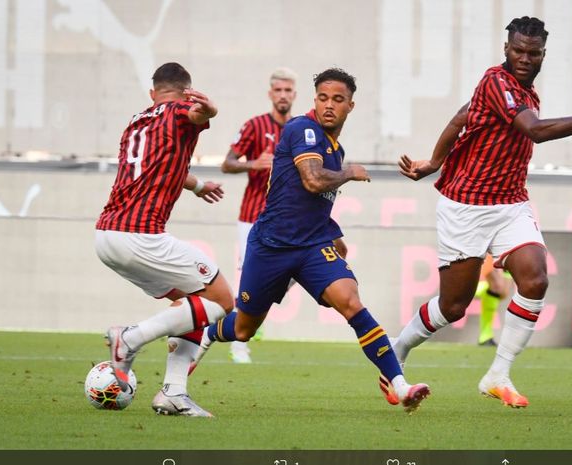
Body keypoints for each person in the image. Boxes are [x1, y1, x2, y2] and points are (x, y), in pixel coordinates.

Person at [390, 16, 572, 408]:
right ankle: (396, 352)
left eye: (532, 52)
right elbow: (534, 130)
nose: (524, 58)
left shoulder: (525, 90)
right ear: (506, 49)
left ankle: (498, 374)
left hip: (510, 203)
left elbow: (461, 117)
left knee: (536, 279)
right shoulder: (497, 82)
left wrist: (434, 161)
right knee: (453, 307)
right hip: (467, 205)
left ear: (543, 54)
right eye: (518, 50)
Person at [193, 68, 430, 413]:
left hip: (311, 247)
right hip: (271, 245)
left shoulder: (336, 147)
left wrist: (334, 235)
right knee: (243, 328)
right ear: (314, 100)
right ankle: (205, 334)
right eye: (322, 98)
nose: (329, 105)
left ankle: (400, 385)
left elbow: (315, 200)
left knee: (352, 304)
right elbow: (313, 181)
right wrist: (349, 173)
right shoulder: (301, 128)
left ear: (351, 105)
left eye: (337, 99)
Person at [95, 62, 235, 417]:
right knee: (221, 299)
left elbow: (162, 164)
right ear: (187, 91)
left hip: (107, 236)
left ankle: (174, 393)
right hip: (140, 234)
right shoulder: (178, 111)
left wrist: (199, 185)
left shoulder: (137, 122)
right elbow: (193, 114)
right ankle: (130, 338)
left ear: (152, 92)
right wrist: (209, 111)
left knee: (193, 303)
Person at [221, 67, 299, 364]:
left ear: (294, 94)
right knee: (248, 277)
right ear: (270, 94)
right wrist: (253, 164)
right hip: (253, 216)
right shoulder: (254, 126)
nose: (283, 95)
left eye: (288, 90)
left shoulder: (301, 128)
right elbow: (227, 164)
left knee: (293, 272)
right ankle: (239, 344)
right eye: (278, 90)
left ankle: (255, 312)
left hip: (288, 218)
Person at [475, 256, 512, 346]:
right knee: (496, 286)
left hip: (510, 250)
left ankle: (461, 291)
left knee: (502, 293)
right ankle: (485, 336)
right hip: (490, 247)